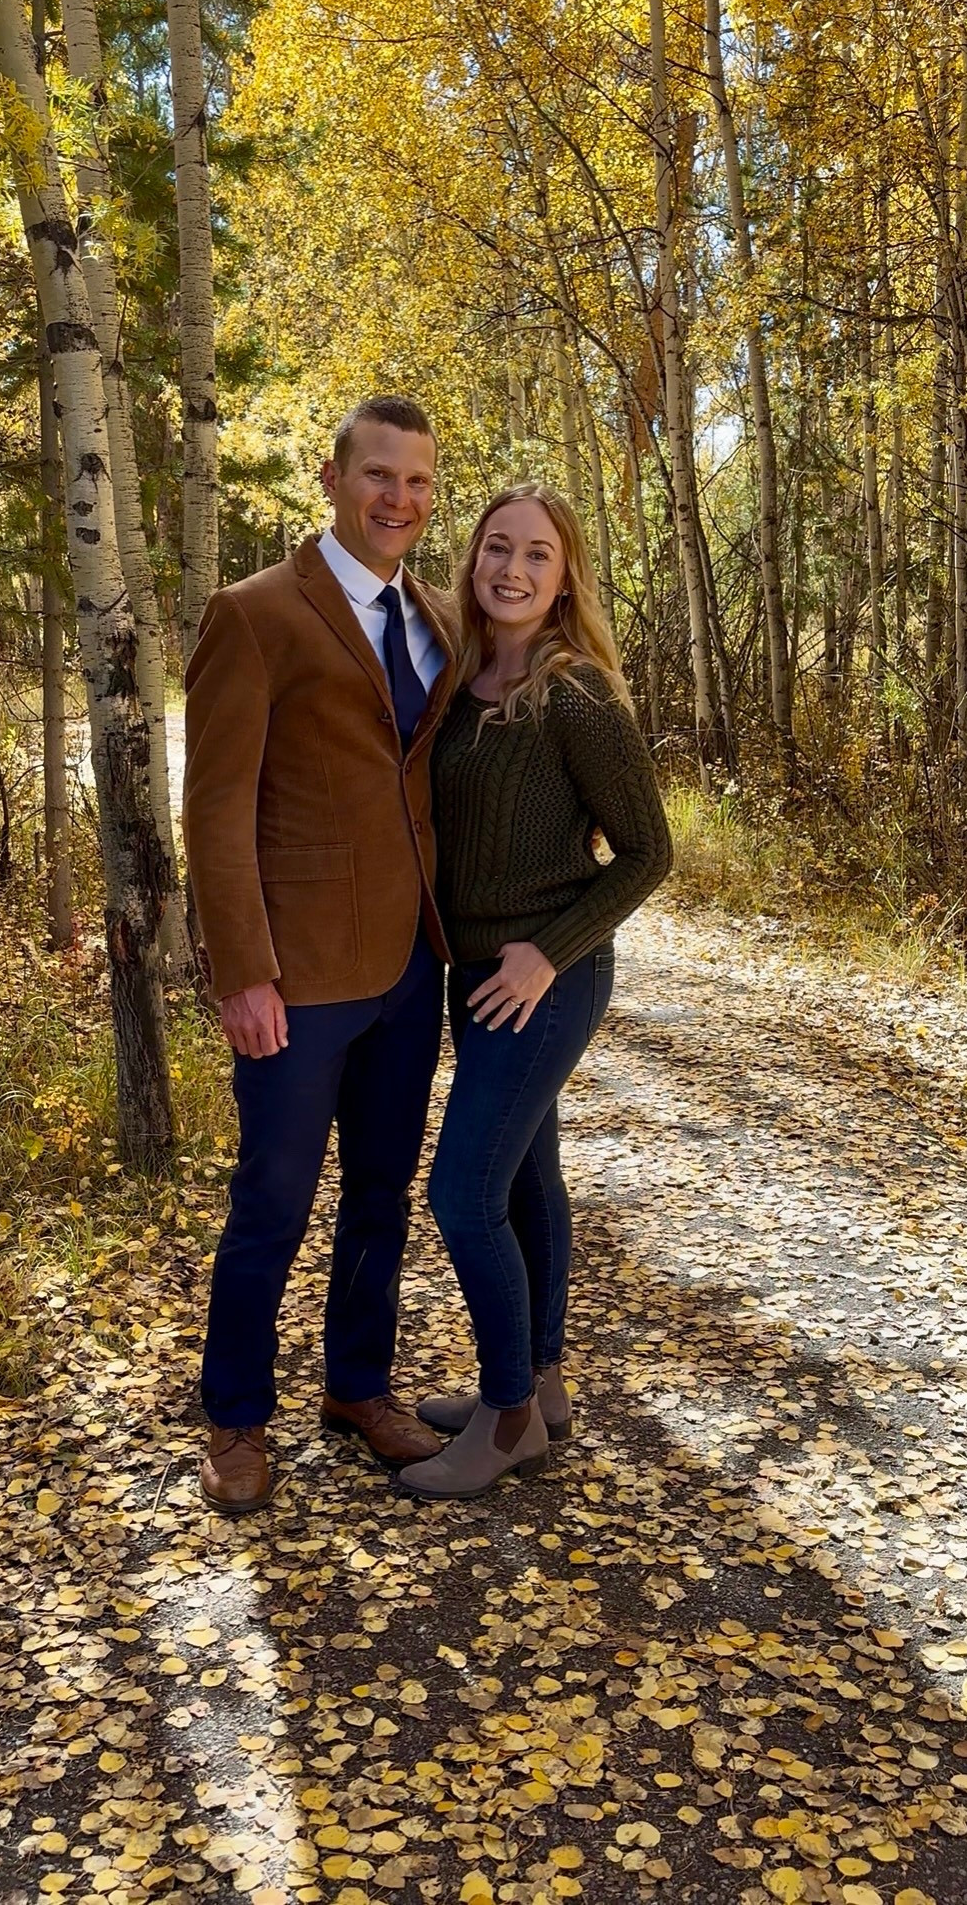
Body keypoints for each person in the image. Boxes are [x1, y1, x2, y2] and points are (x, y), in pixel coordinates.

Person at [183, 395, 456, 1514]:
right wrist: (242, 968)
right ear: (335, 477)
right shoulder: (255, 614)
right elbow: (214, 806)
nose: (399, 497)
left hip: (411, 966)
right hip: (296, 980)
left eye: (420, 482)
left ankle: (357, 1384)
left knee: (384, 1191)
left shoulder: (436, 615)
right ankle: (235, 1415)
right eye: (380, 474)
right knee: (274, 1199)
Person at [399, 481, 672, 1501]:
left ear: (565, 581)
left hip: (544, 978)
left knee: (461, 1192)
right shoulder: (456, 679)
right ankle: (542, 1385)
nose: (510, 569)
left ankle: (507, 1412)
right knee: (523, 1179)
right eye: (496, 548)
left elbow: (649, 851)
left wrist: (546, 952)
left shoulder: (577, 692)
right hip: (475, 976)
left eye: (537, 556)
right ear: (474, 562)